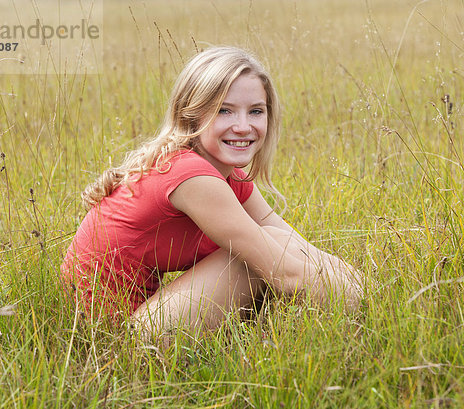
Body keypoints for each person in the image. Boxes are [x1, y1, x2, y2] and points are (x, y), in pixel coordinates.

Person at [61, 46, 362, 337]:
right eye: (224, 111)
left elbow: (296, 243)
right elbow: (286, 273)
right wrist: (365, 310)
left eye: (256, 111)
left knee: (275, 243)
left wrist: (350, 277)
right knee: (257, 257)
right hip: (122, 334)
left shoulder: (227, 174)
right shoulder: (191, 175)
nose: (243, 126)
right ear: (192, 115)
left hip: (141, 320)